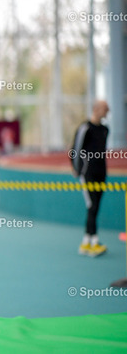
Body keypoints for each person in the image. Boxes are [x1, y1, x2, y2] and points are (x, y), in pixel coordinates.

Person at [71, 100, 110, 257]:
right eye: (105, 108)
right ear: (96, 109)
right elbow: (75, 149)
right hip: (87, 173)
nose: (108, 111)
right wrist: (77, 169)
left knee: (95, 207)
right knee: (92, 206)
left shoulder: (106, 129)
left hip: (101, 173)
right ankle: (93, 241)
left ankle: (87, 241)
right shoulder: (85, 128)